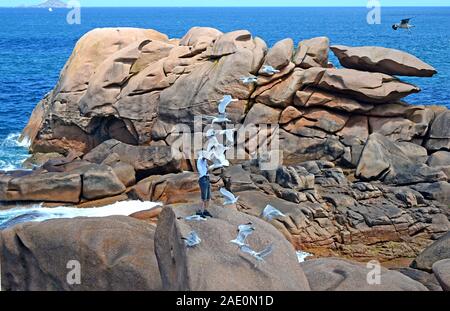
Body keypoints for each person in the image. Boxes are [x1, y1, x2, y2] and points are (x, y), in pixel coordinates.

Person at [197, 151, 213, 218]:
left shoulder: (205, 161)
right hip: (203, 179)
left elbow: (207, 169)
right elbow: (203, 157)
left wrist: (209, 168)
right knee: (204, 197)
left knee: (208, 197)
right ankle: (200, 212)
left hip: (207, 178)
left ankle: (205, 210)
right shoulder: (200, 159)